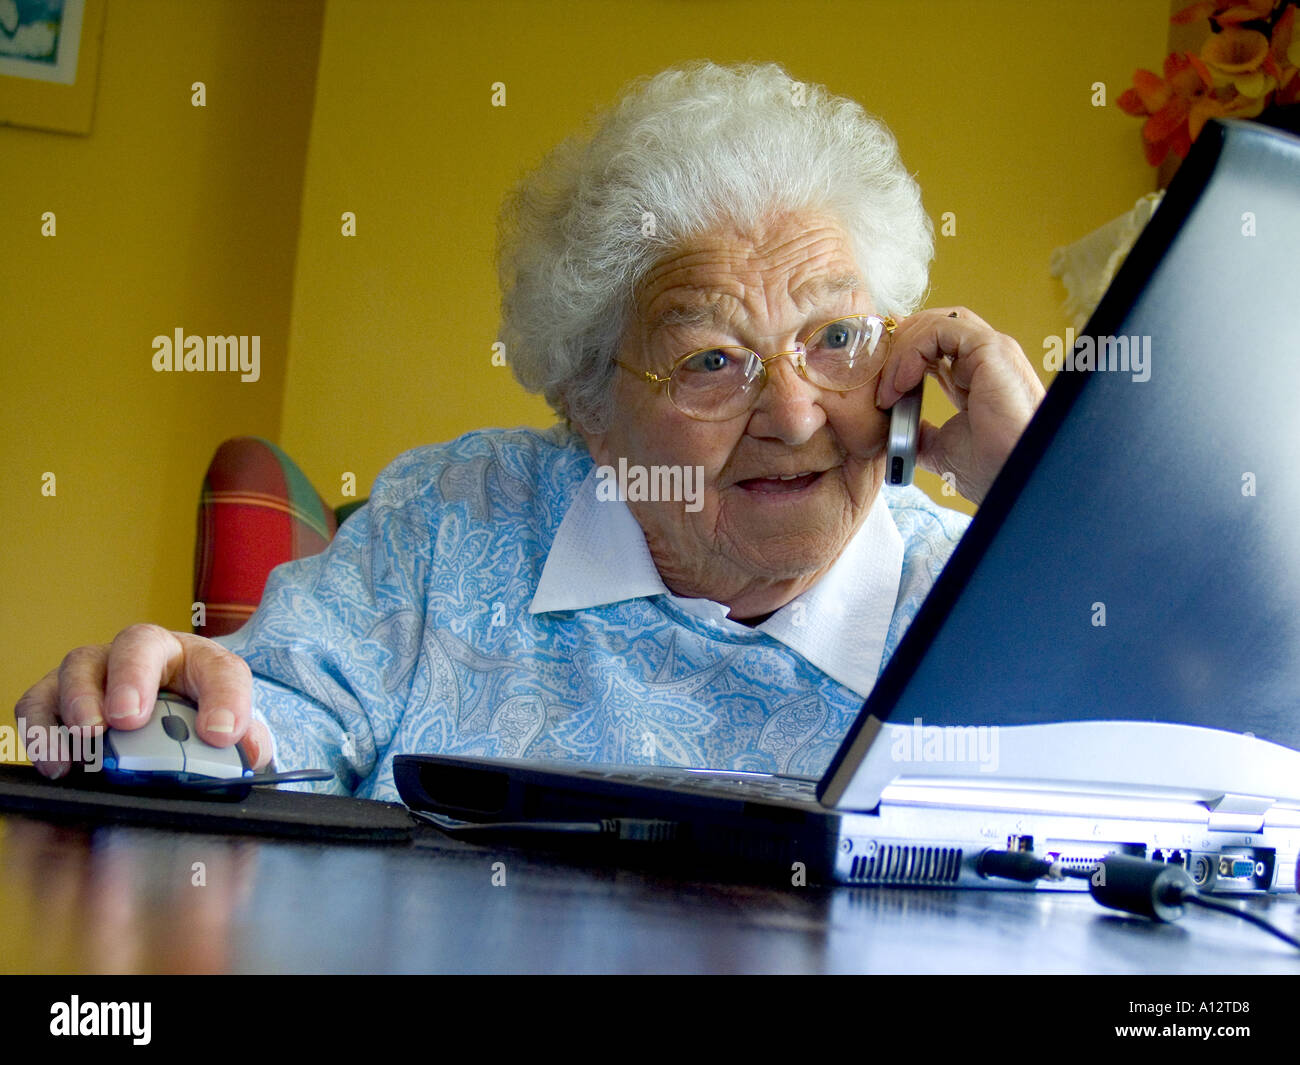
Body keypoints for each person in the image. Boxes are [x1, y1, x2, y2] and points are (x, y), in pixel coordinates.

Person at [14, 62, 1044, 801]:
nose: (790, 414)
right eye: (710, 361)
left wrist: (1048, 501)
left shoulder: (989, 603)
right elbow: (264, 739)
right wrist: (153, 716)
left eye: (835, 339)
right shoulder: (455, 523)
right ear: (590, 409)